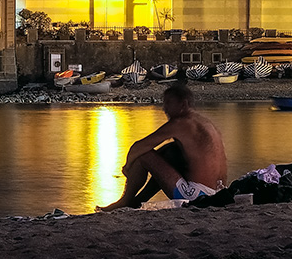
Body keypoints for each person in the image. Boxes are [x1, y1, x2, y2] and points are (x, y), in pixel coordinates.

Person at [98, 82, 228, 210]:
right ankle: (137, 201)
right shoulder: (204, 122)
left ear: (183, 104)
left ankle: (125, 201)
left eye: (168, 103)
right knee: (170, 151)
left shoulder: (181, 123)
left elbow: (139, 147)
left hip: (196, 196)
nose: (164, 109)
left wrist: (127, 167)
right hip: (218, 193)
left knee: (144, 155)